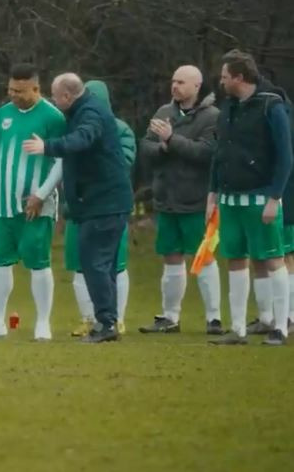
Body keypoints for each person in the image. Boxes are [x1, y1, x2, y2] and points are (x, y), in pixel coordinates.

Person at [23, 73, 133, 343]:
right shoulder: (84, 110)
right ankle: (108, 321)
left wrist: (47, 146)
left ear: (67, 97)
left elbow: (82, 140)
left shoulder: (91, 114)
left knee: (95, 262)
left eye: (54, 95)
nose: (52, 100)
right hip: (99, 202)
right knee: (101, 264)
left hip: (105, 203)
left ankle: (106, 324)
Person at [0, 63, 65, 342]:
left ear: (36, 88)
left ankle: (42, 323)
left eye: (19, 90)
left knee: (38, 262)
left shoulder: (53, 117)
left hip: (36, 205)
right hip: (4, 203)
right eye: (10, 89)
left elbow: (62, 159)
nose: (12, 94)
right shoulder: (4, 114)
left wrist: (41, 195)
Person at [208, 50, 292, 346]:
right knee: (235, 260)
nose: (221, 82)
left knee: (273, 260)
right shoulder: (228, 108)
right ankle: (238, 328)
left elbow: (285, 156)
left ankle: (280, 326)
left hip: (260, 199)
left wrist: (274, 197)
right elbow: (220, 154)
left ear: (240, 77)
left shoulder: (272, 106)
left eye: (225, 77)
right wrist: (213, 193)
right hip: (230, 200)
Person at [138, 65, 223, 335]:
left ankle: (214, 318)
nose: (175, 86)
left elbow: (207, 153)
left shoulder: (212, 117)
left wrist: (172, 139)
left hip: (196, 200)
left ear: (197, 86)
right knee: (171, 258)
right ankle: (170, 317)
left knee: (203, 258)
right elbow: (146, 147)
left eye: (181, 82)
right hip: (166, 198)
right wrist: (162, 146)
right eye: (173, 81)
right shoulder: (164, 112)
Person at [64, 80, 136, 336]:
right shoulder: (74, 123)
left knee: (108, 263)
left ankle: (111, 319)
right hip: (85, 205)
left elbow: (122, 161)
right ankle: (97, 318)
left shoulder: (115, 128)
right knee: (84, 262)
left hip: (106, 204)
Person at [246, 81, 294, 335]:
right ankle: (267, 316)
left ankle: (288, 315)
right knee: (261, 256)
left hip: (285, 197)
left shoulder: (279, 116)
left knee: (284, 256)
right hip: (267, 197)